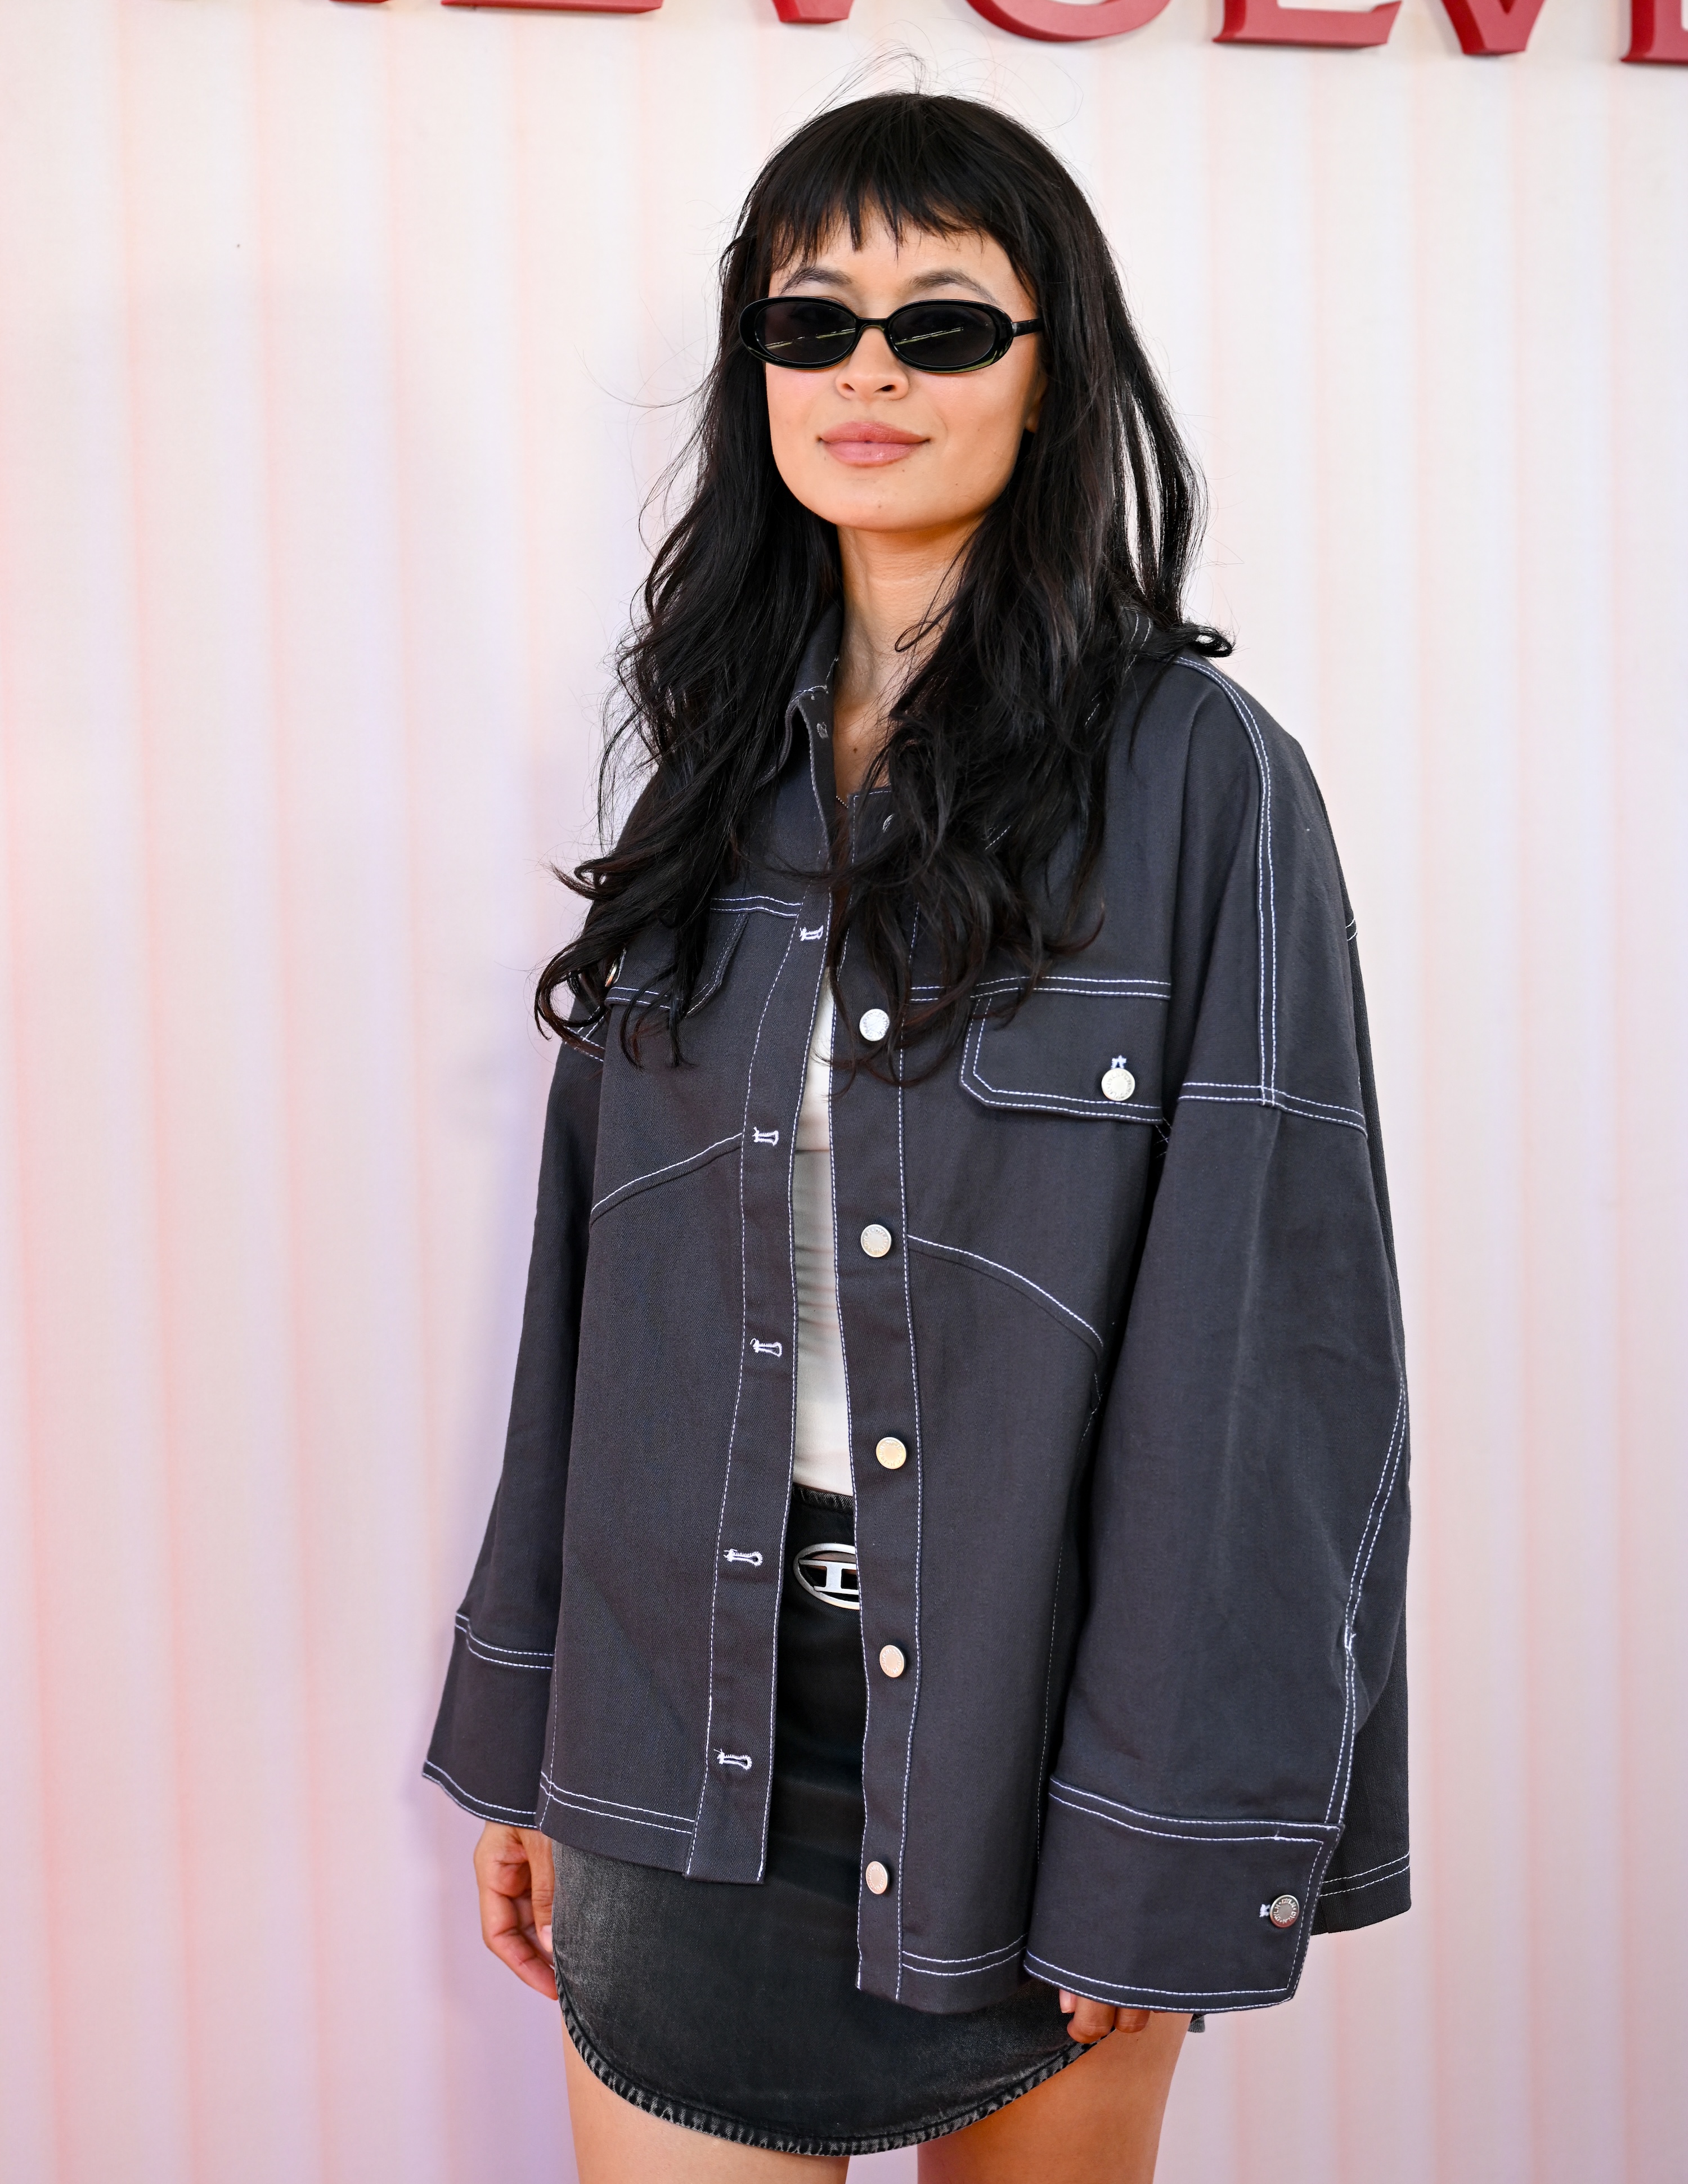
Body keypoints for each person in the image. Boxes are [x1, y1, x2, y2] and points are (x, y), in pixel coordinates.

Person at [425, 90, 1410, 2183]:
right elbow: (584, 1308)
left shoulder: (1204, 785)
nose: (868, 371)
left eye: (946, 324)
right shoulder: (705, 774)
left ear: (1055, 383)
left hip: (1043, 1738)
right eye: (813, 321)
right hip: (673, 1725)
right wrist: (528, 1736)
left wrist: (1167, 1838)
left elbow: (1274, 1356)